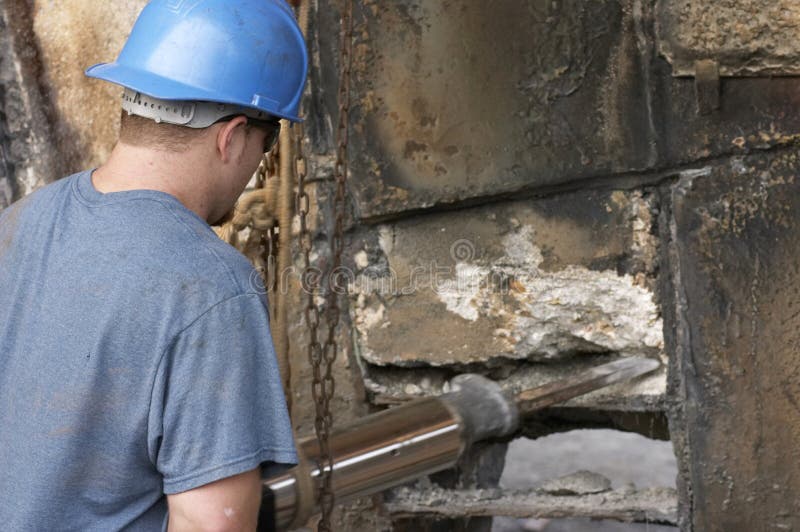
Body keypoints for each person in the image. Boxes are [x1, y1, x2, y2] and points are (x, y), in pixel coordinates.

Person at [0, 0, 308, 530]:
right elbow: (213, 523)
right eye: (267, 141)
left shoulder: (19, 222)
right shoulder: (213, 289)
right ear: (231, 136)